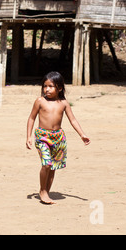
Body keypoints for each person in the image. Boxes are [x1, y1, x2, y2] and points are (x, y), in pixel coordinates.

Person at [26, 71, 90, 204]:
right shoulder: (40, 101)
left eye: (50, 86)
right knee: (46, 164)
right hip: (42, 136)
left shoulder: (64, 103)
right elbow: (31, 118)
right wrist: (28, 136)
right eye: (45, 86)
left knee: (53, 166)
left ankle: (46, 192)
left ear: (59, 88)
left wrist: (82, 134)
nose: (47, 89)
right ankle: (42, 190)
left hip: (58, 138)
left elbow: (73, 120)